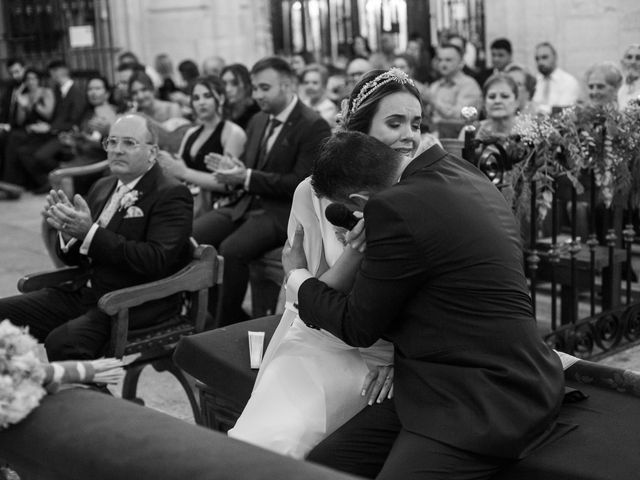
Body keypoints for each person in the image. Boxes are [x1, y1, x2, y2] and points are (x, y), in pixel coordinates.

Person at [283, 127, 565, 479]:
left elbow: (358, 327)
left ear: (359, 201)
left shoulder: (391, 208)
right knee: (328, 464)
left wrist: (298, 277)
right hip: (433, 378)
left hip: (485, 396)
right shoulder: (460, 169)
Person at [229, 68, 424, 459]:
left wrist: (405, 360)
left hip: (404, 349)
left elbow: (434, 293)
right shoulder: (315, 191)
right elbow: (314, 294)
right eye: (395, 122)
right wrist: (350, 254)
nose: (409, 135)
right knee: (274, 440)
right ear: (359, 127)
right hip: (328, 336)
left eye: (416, 123)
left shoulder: (423, 188)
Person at [0, 113, 193, 360]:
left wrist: (89, 232)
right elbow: (76, 260)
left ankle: (90, 396)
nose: (117, 150)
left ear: (152, 153)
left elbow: (154, 259)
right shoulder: (102, 187)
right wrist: (68, 233)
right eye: (111, 142)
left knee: (63, 342)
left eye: (128, 143)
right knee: (3, 314)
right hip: (87, 290)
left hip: (131, 302)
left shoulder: (172, 193)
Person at [194, 56, 331, 326]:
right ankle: (217, 314)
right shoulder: (258, 120)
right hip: (248, 202)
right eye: (255, 88)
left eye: (264, 88)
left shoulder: (312, 124)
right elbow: (252, 169)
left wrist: (246, 176)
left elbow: (300, 182)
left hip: (282, 211)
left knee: (232, 249)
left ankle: (227, 325)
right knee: (195, 236)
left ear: (288, 84)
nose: (256, 95)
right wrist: (236, 168)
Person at [157, 75, 246, 217]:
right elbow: (179, 167)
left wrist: (184, 172)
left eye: (207, 96)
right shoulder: (191, 133)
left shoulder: (232, 132)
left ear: (221, 98)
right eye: (196, 98)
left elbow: (228, 183)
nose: (201, 103)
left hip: (219, 207)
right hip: (189, 201)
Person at [10, 60, 86, 192]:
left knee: (39, 155)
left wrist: (49, 128)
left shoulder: (76, 92)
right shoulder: (58, 90)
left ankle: (60, 175)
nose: (51, 76)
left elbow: (74, 120)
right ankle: (46, 182)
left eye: (52, 73)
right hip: (53, 131)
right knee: (23, 150)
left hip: (66, 135)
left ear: (58, 72)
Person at [425, 43, 482, 137]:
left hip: (457, 140)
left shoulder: (469, 84)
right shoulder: (435, 85)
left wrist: (433, 100)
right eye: (440, 60)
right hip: (433, 136)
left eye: (448, 60)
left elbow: (463, 117)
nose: (443, 64)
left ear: (461, 63)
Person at [532, 42, 580, 115]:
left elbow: (564, 110)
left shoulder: (568, 81)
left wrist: (538, 109)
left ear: (555, 57)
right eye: (537, 59)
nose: (540, 62)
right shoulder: (534, 81)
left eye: (544, 57)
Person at [220, 63, 261, 131]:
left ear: (247, 85)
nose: (228, 89)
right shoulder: (221, 113)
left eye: (234, 83)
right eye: (224, 84)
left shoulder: (257, 114)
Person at [300, 64, 338, 128]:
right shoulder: (303, 104)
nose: (310, 87)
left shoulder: (329, 108)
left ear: (324, 85)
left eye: (315, 83)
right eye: (306, 82)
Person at [618, 44, 640, 109]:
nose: (633, 62)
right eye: (629, 57)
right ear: (623, 62)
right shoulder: (622, 90)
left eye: (638, 58)